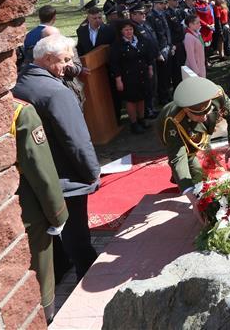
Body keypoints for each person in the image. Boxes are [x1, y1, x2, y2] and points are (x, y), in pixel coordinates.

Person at [12, 34, 100, 281]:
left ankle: (60, 266)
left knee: (52, 229)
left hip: (38, 174)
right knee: (76, 232)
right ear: (48, 59)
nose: (69, 65)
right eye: (64, 59)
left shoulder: (21, 82)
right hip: (66, 175)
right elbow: (76, 140)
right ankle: (88, 273)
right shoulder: (56, 92)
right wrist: (92, 172)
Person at [11, 98, 68, 324]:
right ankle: (46, 318)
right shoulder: (20, 112)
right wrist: (58, 214)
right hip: (28, 210)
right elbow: (41, 170)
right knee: (42, 273)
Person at [156, 77, 230, 197]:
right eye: (199, 115)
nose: (205, 117)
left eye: (207, 111)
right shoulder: (174, 121)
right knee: (199, 180)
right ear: (186, 110)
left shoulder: (216, 94)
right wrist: (189, 193)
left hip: (201, 131)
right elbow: (178, 159)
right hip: (179, 133)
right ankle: (183, 178)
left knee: (212, 167)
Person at [109, 19, 155, 134]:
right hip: (128, 77)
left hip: (142, 74)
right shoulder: (117, 46)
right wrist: (118, 80)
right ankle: (134, 123)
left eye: (131, 29)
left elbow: (148, 56)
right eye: (126, 30)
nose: (129, 32)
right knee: (131, 100)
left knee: (142, 98)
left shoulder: (141, 40)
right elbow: (115, 64)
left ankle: (141, 119)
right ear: (121, 32)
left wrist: (150, 68)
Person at [148, 0, 173, 105]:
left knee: (167, 75)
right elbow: (153, 37)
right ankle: (162, 98)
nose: (164, 5)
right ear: (156, 4)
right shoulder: (151, 17)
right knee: (162, 76)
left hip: (167, 48)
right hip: (160, 51)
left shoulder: (162, 14)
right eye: (162, 3)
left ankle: (167, 94)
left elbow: (167, 31)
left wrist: (170, 45)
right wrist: (158, 52)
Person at [183, 13, 207, 78]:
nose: (200, 24)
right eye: (197, 23)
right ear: (190, 25)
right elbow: (190, 57)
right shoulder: (188, 37)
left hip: (200, 66)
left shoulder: (197, 33)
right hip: (195, 70)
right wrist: (196, 73)